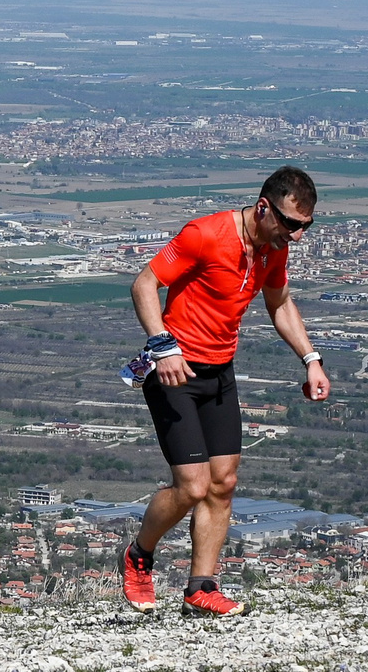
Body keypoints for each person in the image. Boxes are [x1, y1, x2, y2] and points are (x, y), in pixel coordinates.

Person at [122, 166, 330, 617]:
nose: (296, 236)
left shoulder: (272, 247)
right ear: (264, 208)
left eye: (306, 227)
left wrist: (310, 359)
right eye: (291, 223)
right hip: (174, 372)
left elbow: (279, 302)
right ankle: (139, 555)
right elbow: (144, 283)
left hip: (220, 373)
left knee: (223, 484)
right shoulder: (205, 234)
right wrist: (162, 345)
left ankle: (202, 587)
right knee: (192, 486)